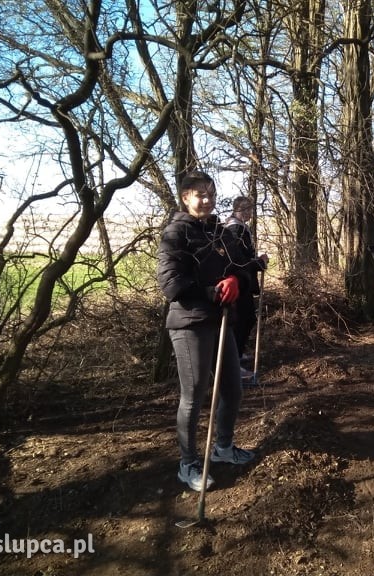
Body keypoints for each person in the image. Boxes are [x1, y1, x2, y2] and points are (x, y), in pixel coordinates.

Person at [157, 171, 268, 492]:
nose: (206, 200)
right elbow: (170, 283)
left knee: (233, 389)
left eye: (210, 193)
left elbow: (241, 268)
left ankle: (223, 448)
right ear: (185, 198)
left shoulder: (220, 233)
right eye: (198, 194)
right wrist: (210, 292)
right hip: (190, 324)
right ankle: (188, 463)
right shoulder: (176, 234)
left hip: (222, 322)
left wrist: (242, 277)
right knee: (193, 397)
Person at [225, 196, 262, 381]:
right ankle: (234, 364)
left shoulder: (240, 227)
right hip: (238, 284)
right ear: (236, 209)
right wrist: (259, 263)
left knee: (246, 320)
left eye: (250, 209)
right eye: (244, 209)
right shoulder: (235, 229)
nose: (248, 213)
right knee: (243, 321)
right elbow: (238, 262)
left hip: (243, 282)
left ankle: (237, 355)